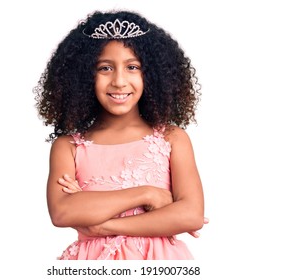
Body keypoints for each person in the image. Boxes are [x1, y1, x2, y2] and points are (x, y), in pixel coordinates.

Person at [34, 10, 206, 260]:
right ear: (83, 76)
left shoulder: (171, 139)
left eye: (132, 67)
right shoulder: (69, 147)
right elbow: (62, 212)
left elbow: (190, 215)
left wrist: (102, 224)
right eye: (105, 68)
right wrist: (147, 194)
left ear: (152, 75)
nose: (119, 81)